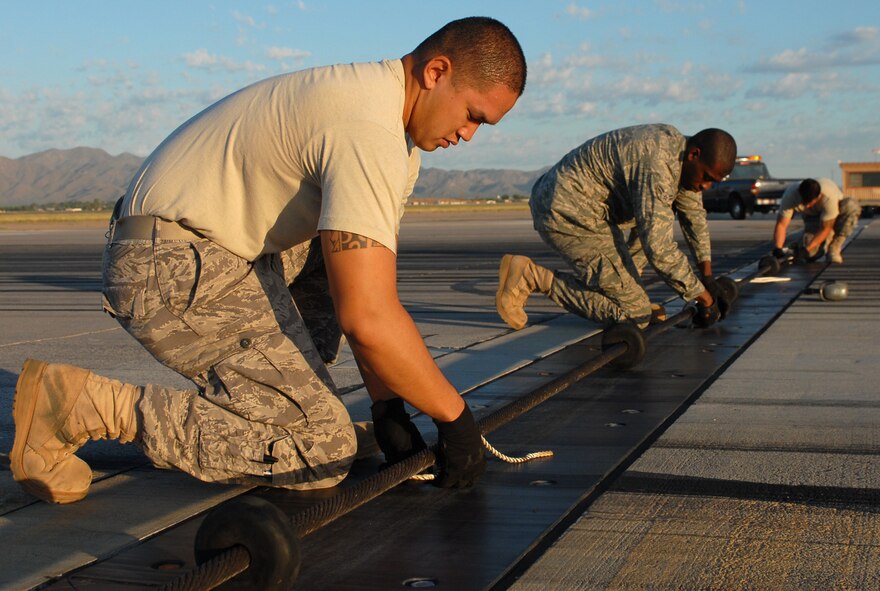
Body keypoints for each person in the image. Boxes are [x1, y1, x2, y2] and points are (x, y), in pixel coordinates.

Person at [10, 17, 526, 504]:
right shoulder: (367, 130)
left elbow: (358, 289)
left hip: (206, 253)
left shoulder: (381, 115)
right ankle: (81, 406)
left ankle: (290, 409)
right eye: (473, 115)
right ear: (436, 72)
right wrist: (456, 420)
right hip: (165, 265)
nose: (469, 135)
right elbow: (368, 318)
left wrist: (389, 406)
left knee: (348, 257)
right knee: (322, 451)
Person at [496, 124, 736, 331]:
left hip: (588, 210)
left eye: (712, 183)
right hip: (567, 211)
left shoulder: (680, 156)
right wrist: (704, 298)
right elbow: (660, 250)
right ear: (695, 154)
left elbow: (694, 217)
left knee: (656, 224)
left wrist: (707, 277)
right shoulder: (659, 165)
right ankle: (531, 277)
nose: (705, 186)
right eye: (706, 178)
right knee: (635, 315)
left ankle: (625, 292)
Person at [772, 177, 861, 264]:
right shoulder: (790, 195)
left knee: (851, 205)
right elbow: (781, 225)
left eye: (810, 203)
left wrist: (806, 250)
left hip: (835, 215)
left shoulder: (828, 197)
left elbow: (826, 228)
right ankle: (798, 245)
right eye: (804, 202)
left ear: (819, 196)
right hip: (813, 217)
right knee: (811, 254)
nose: (806, 206)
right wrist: (778, 249)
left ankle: (834, 248)